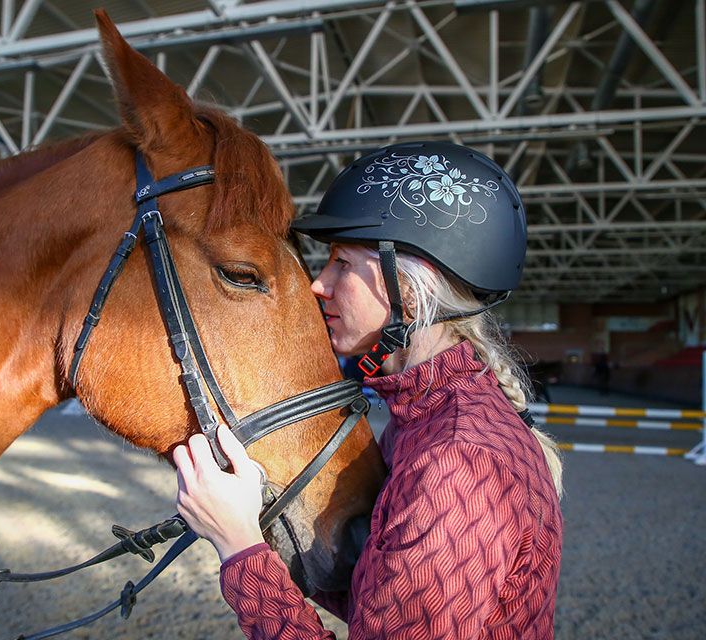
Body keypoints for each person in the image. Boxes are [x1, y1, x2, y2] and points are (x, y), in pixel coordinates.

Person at [173, 141, 564, 639]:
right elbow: (378, 597)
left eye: (341, 263)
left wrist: (239, 548)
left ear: (409, 287)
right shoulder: (422, 419)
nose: (320, 284)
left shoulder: (460, 462)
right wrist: (255, 526)